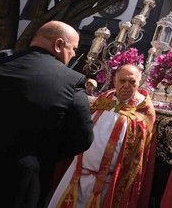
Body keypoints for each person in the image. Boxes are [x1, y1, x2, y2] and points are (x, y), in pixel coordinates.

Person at [0, 21, 94, 207]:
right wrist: (40, 152)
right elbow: (82, 138)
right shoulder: (71, 82)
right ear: (58, 45)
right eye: (73, 49)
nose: (73, 55)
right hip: (15, 186)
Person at [49, 60, 156, 207]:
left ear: (139, 83)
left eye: (132, 82)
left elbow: (138, 152)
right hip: (77, 174)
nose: (126, 86)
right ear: (114, 80)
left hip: (107, 184)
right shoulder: (104, 99)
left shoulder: (143, 109)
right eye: (122, 80)